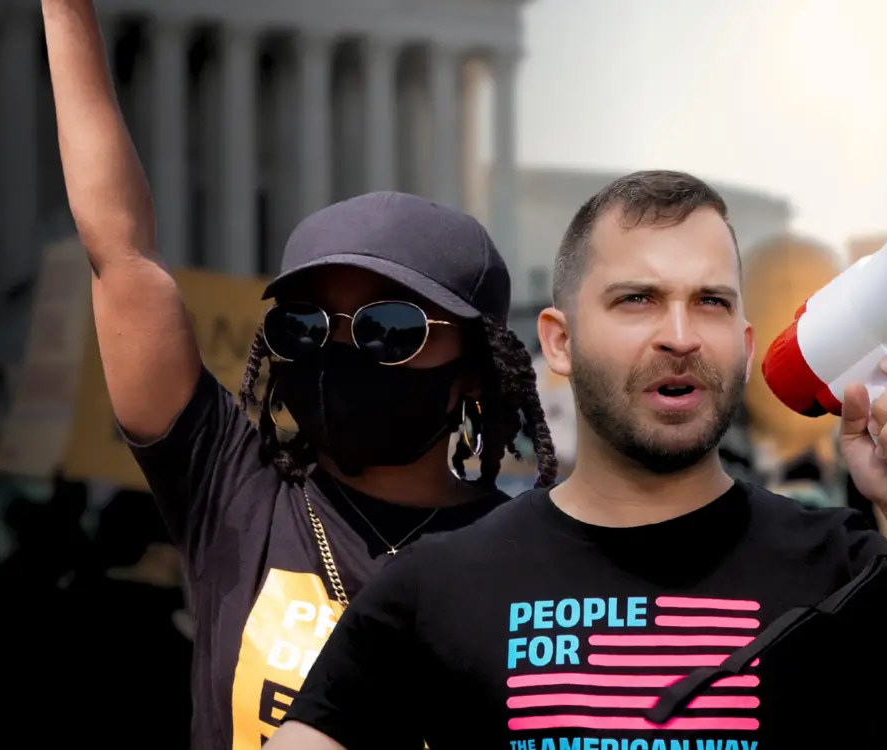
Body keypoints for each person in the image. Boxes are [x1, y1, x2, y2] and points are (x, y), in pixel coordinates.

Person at [267, 171, 887, 750]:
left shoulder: (850, 569)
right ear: (558, 341)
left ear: (743, 344)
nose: (679, 334)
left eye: (709, 302)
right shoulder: (435, 586)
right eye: (637, 299)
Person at [38, 2, 558, 748]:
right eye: (303, 327)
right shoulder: (234, 494)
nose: (338, 353)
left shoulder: (535, 559)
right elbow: (120, 252)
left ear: (476, 369)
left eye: (389, 329)